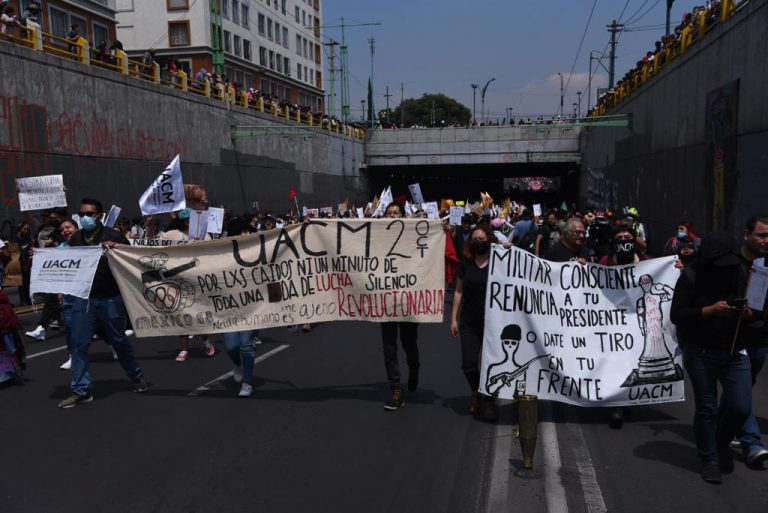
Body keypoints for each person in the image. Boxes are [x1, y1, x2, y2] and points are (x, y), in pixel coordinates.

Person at [670, 233, 754, 483]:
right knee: (706, 408)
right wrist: (710, 311)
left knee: (740, 407)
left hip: (734, 350)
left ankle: (720, 443)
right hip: (700, 352)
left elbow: (753, 309)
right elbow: (677, 315)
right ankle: (709, 459)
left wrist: (746, 312)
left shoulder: (738, 272)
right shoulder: (691, 276)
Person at [58, 198, 148, 408]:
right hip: (84, 299)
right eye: (81, 214)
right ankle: (80, 390)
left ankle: (135, 375)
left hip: (110, 298)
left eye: (89, 214)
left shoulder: (113, 235)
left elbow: (131, 259)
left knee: (118, 339)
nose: (85, 218)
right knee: (79, 345)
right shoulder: (76, 239)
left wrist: (116, 247)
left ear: (99, 215)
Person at [450, 224, 499, 421]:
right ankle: (476, 391)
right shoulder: (466, 263)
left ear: (490, 240)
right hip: (469, 321)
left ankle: (488, 401)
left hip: (494, 323)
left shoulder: (500, 262)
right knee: (469, 364)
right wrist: (453, 318)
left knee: (491, 365)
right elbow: (458, 290)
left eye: (482, 239)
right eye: (475, 239)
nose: (479, 242)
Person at [733, 216, 768, 466]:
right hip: (735, 337)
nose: (767, 241)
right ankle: (752, 442)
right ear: (747, 235)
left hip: (760, 337)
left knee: (741, 389)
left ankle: (724, 423)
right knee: (742, 389)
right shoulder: (730, 261)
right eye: (762, 235)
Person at [380, 202, 420, 411]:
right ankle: (396, 389)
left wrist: (442, 231)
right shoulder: (376, 236)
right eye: (389, 213)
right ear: (384, 216)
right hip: (385, 302)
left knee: (409, 343)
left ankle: (414, 366)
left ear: (404, 216)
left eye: (396, 213)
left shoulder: (413, 236)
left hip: (407, 301)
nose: (393, 215)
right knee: (389, 348)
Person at [160, 209, 215, 361]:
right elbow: (153, 244)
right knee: (182, 314)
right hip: (179, 280)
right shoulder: (173, 234)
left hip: (200, 280)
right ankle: (184, 349)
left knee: (200, 314)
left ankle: (206, 341)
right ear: (186, 221)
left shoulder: (205, 235)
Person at [220, 217, 260, 397]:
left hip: (253, 305)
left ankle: (247, 382)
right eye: (242, 231)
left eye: (248, 230)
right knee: (230, 346)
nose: (247, 234)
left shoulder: (260, 250)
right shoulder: (223, 254)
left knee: (246, 345)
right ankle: (237, 364)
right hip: (229, 307)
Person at [56, 219, 78, 370]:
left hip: (89, 293)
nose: (65, 230)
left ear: (76, 228)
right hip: (69, 294)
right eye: (62, 229)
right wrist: (59, 290)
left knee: (102, 325)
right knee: (69, 326)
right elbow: (58, 272)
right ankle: (72, 356)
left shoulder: (87, 245)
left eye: (68, 227)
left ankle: (114, 345)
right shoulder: (60, 248)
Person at [0, 289, 25, 385]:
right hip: (5, 329)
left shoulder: (2, 304)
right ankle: (9, 372)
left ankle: (14, 369)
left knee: (9, 349)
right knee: (7, 350)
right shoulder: (4, 302)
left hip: (5, 330)